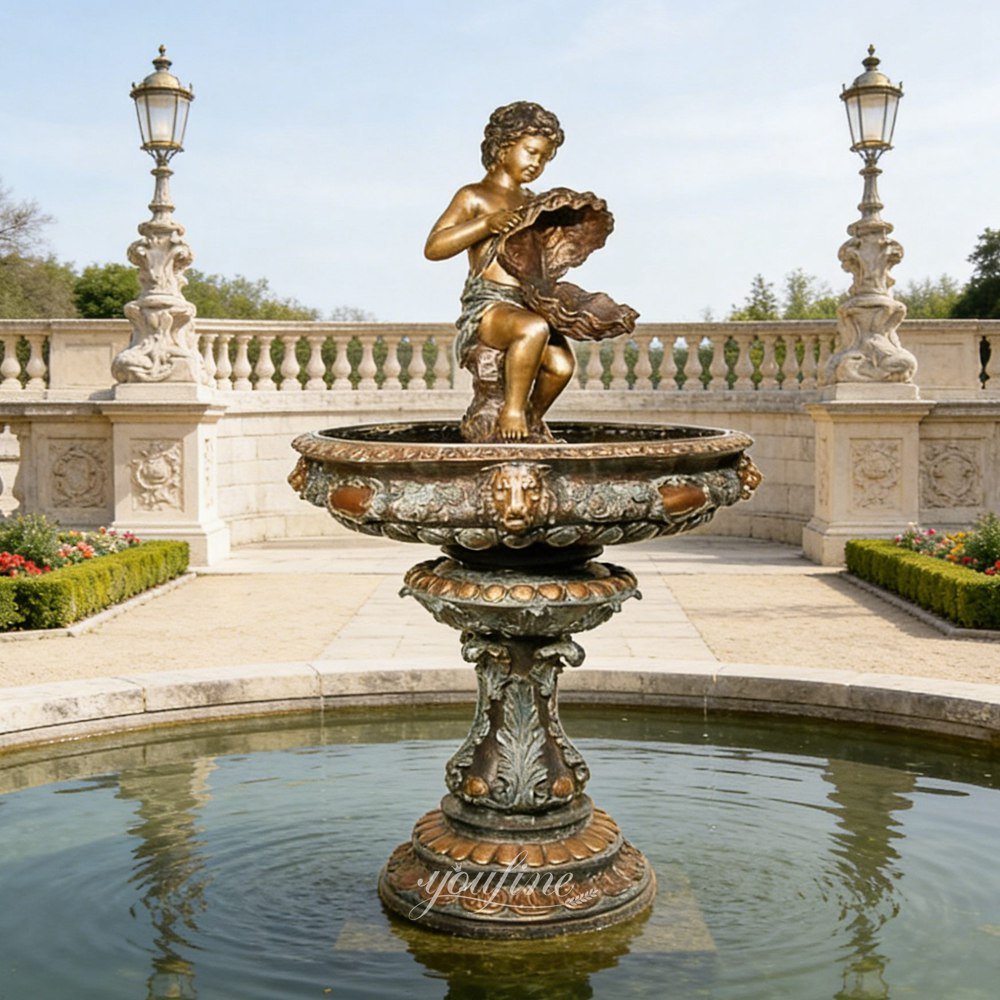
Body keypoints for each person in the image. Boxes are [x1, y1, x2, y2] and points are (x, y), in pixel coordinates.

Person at [425, 101, 574, 442]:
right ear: (505, 145)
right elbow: (434, 247)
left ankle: (533, 420)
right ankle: (511, 412)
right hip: (489, 307)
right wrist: (486, 224)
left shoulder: (534, 202)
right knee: (533, 329)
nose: (537, 163)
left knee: (562, 365)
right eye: (531, 152)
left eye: (544, 158)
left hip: (525, 302)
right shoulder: (474, 195)